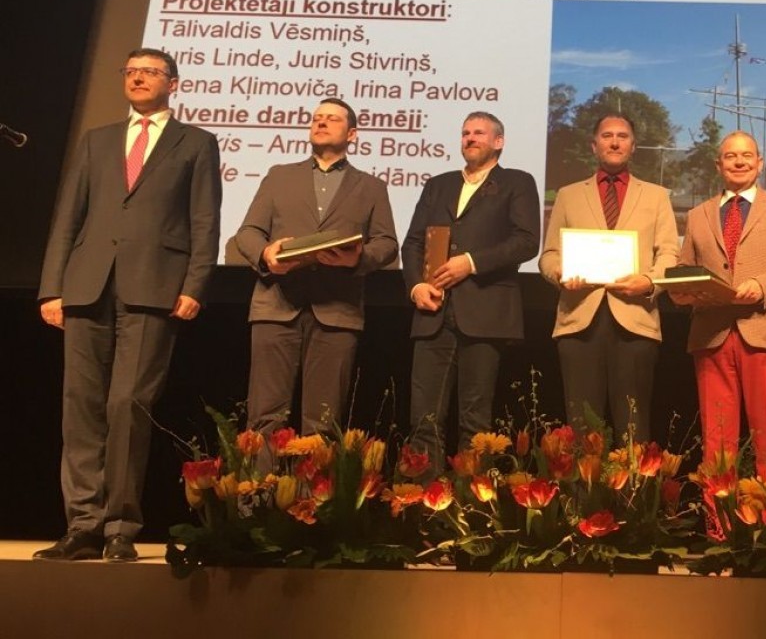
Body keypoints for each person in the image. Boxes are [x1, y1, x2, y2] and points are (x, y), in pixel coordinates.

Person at [36, 48, 221, 562]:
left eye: (150, 72)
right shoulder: (97, 140)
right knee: (81, 408)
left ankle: (119, 526)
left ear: (173, 83)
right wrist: (52, 287)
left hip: (154, 288)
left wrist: (195, 285)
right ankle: (82, 525)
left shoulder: (196, 143)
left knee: (127, 406)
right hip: (86, 286)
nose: (138, 78)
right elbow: (68, 217)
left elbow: (205, 220)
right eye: (132, 71)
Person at [234, 98, 398, 456]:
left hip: (337, 311)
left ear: (352, 134)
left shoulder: (371, 186)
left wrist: (357, 258)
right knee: (264, 418)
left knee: (323, 422)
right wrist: (266, 254)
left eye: (332, 119)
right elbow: (247, 233)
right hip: (276, 305)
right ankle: (260, 492)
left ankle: (313, 493)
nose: (321, 123)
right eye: (317, 118)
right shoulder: (280, 175)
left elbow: (387, 244)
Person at [402, 112, 539, 472]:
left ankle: (469, 499)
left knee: (474, 421)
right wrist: (416, 285)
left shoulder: (517, 182)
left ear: (499, 142)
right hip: (432, 311)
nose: (470, 138)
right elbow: (413, 242)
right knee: (423, 418)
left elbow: (527, 241)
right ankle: (425, 499)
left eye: (479, 132)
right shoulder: (438, 184)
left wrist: (471, 262)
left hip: (485, 312)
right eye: (465, 133)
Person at [671, 131, 766, 479]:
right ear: (719, 165)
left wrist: (762, 286)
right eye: (731, 156)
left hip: (765, 328)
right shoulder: (698, 214)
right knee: (716, 442)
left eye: (747, 155)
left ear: (759, 163)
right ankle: (718, 514)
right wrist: (682, 291)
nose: (739, 161)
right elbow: (685, 268)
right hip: (710, 333)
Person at [539, 113, 679, 442]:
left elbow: (670, 254)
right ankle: (584, 480)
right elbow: (549, 255)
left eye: (622, 136)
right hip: (579, 319)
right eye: (606, 136)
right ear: (594, 145)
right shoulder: (568, 194)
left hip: (636, 319)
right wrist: (560, 274)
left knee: (634, 427)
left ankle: (632, 480)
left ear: (633, 146)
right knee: (581, 429)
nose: (614, 142)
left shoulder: (657, 195)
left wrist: (650, 282)